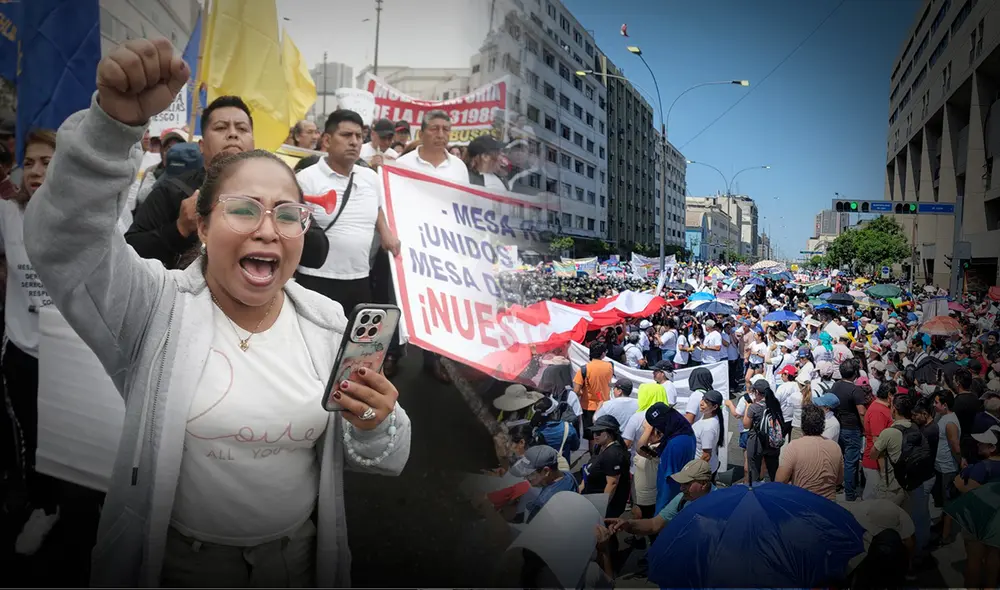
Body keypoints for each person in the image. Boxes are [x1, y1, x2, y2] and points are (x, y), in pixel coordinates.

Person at [23, 39, 411, 587]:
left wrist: (375, 423)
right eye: (244, 209)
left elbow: (382, 454)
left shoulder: (327, 325)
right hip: (179, 566)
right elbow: (66, 243)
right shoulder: (154, 309)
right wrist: (111, 130)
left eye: (287, 214)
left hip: (297, 563)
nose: (266, 229)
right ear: (202, 227)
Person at [1, 129, 62, 553]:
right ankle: (42, 505)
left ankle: (74, 504)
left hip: (74, 354)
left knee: (70, 436)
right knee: (31, 433)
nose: (37, 171)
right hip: (22, 350)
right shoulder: (6, 213)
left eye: (48, 161)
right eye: (31, 162)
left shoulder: (86, 216)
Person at [125, 95, 254, 269]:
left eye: (242, 128)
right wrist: (179, 228)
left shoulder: (271, 194)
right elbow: (130, 250)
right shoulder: (171, 191)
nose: (232, 134)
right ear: (201, 145)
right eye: (221, 127)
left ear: (253, 142)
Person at [293, 109, 400, 317]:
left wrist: (385, 232)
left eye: (359, 136)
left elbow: (377, 207)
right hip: (315, 279)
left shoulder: (371, 178)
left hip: (360, 280)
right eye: (346, 135)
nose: (354, 142)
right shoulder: (305, 180)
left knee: (352, 347)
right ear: (327, 140)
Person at [602, 459, 714, 537]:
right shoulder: (682, 499)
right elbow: (654, 524)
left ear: (703, 483)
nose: (681, 488)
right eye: (681, 483)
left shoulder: (721, 505)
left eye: (686, 484)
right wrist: (627, 524)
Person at [775, 405, 844, 500]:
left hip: (804, 503)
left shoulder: (794, 446)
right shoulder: (835, 447)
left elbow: (780, 480)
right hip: (829, 505)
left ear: (802, 425)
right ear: (823, 424)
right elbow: (839, 480)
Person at [508, 445, 578, 524]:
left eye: (530, 474)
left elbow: (532, 529)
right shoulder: (567, 475)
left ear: (546, 471)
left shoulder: (542, 503)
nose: (526, 478)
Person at [580, 415, 631, 519]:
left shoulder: (613, 455)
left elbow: (612, 484)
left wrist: (601, 509)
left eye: (598, 432)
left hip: (604, 505)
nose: (595, 436)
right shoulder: (599, 447)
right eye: (594, 432)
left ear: (609, 433)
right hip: (590, 498)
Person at [833, 358, 867, 502]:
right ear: (854, 373)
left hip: (838, 427)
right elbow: (862, 412)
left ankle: (840, 486)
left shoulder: (835, 386)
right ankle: (850, 494)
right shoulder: (855, 390)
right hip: (852, 430)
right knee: (851, 462)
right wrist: (866, 429)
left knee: (842, 460)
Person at [744, 380, 785, 483]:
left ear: (757, 392)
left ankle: (755, 491)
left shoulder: (754, 407)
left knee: (754, 469)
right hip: (773, 441)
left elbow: (746, 424)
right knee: (773, 470)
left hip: (757, 442)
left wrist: (747, 407)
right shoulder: (774, 403)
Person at [692, 389, 724, 473]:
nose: (701, 403)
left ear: (715, 407)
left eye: (706, 402)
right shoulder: (708, 416)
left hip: (702, 470)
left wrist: (694, 472)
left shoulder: (708, 428)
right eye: (702, 399)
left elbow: (706, 456)